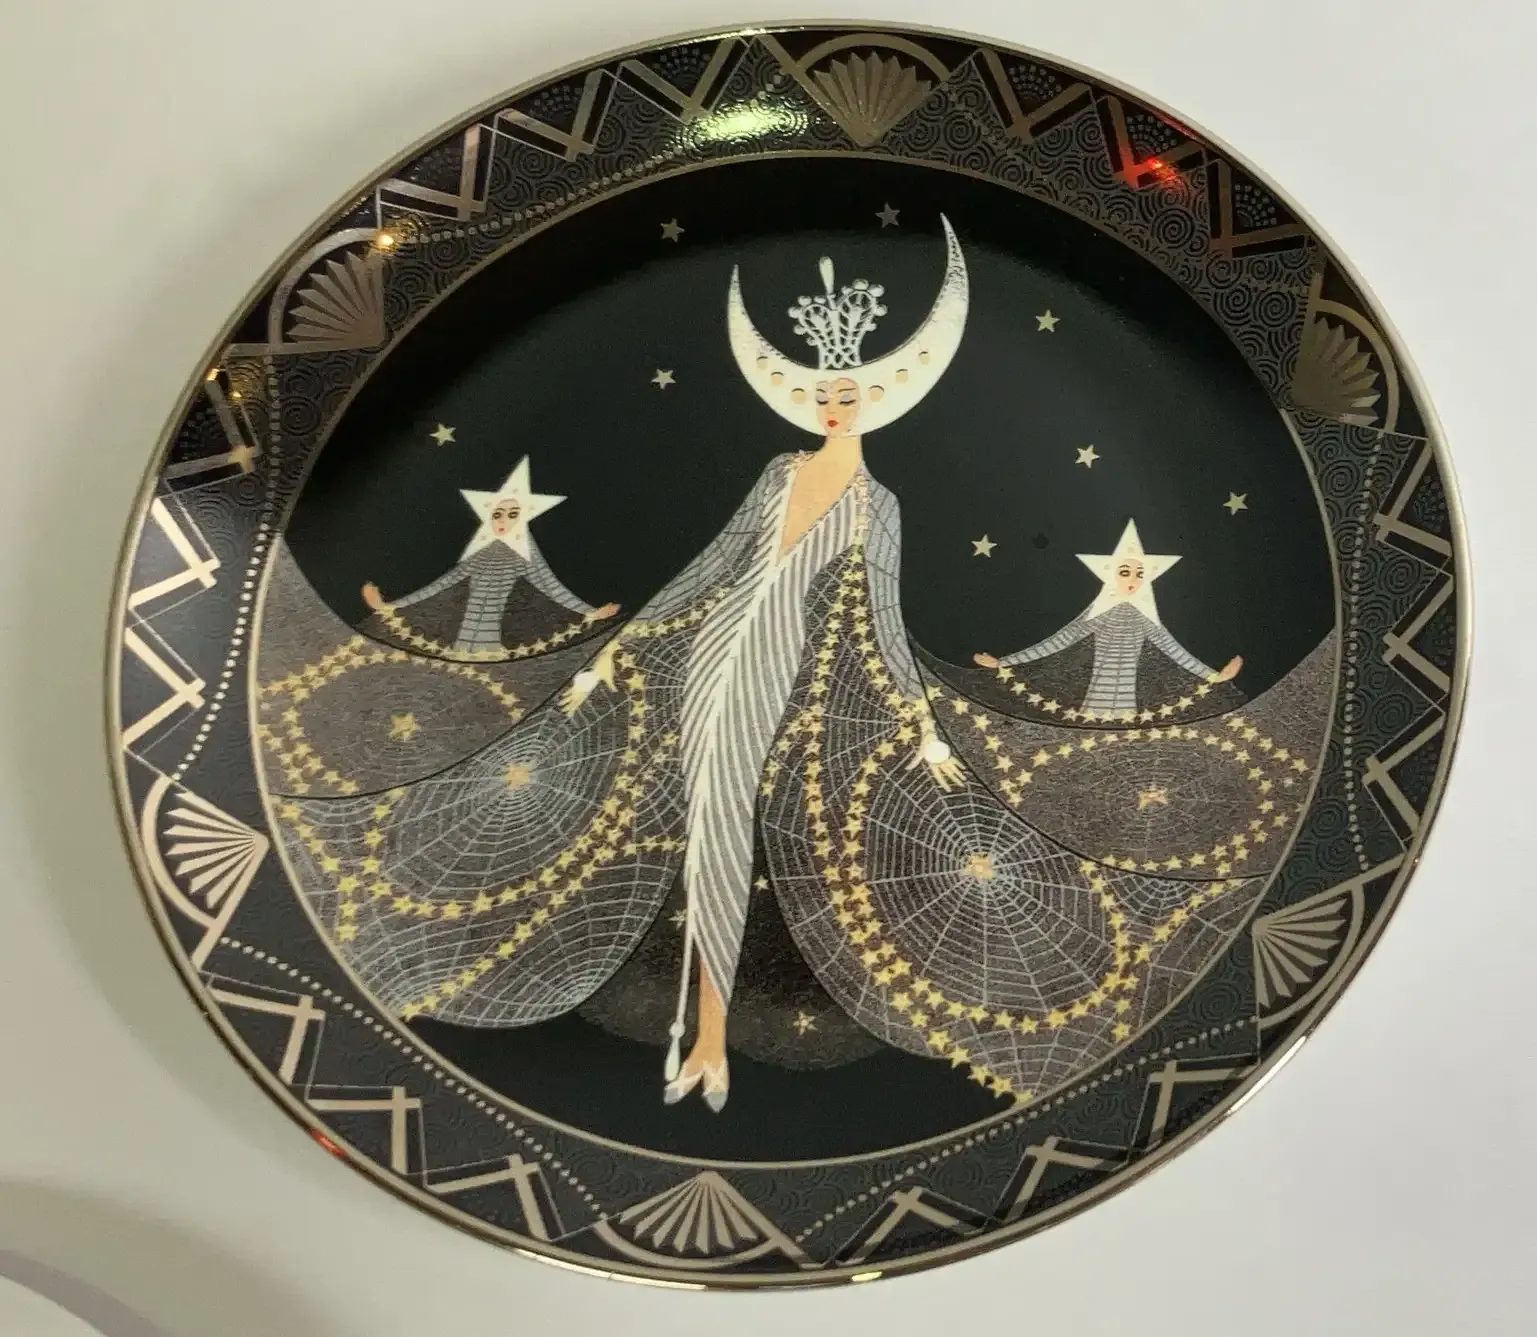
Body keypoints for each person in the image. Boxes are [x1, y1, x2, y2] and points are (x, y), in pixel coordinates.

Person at [561, 220, 972, 1108]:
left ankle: (709, 1037)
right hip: (710, 651)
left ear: (874, 397)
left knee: (727, 824)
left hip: (776, 665)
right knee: (698, 817)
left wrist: (924, 726)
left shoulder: (876, 504)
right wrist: (612, 652)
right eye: (821, 394)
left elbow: (883, 619)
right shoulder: (780, 470)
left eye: (847, 394)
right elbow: (709, 567)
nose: (833, 407)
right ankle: (700, 1034)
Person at [974, 519, 1240, 717]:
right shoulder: (1099, 614)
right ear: (1111, 573)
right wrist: (1004, 662)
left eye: (1139, 574)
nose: (1133, 580)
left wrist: (1213, 676)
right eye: (1125, 572)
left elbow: (1173, 651)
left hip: (1127, 704)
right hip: (1095, 701)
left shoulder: (1145, 618)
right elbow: (1057, 642)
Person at [360, 456, 619, 657]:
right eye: (497, 514)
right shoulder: (481, 553)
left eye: (512, 514)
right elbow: (441, 585)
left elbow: (552, 589)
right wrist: (388, 606)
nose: (503, 521)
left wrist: (591, 612)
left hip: (493, 640)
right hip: (462, 636)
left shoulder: (524, 553)